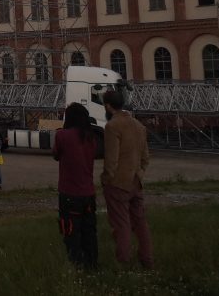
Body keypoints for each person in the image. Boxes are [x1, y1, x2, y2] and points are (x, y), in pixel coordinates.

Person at [102, 89, 153, 269]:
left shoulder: (112, 126)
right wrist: (139, 174)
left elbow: (111, 159)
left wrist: (107, 178)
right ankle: (147, 260)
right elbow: (145, 157)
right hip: (136, 182)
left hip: (118, 184)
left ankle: (123, 262)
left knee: (121, 224)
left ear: (108, 106)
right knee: (140, 223)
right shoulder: (139, 126)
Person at [53, 102, 99, 269]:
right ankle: (92, 264)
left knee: (71, 231)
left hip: (69, 192)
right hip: (88, 192)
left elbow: (56, 155)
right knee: (89, 231)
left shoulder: (62, 136)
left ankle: (77, 265)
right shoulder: (91, 137)